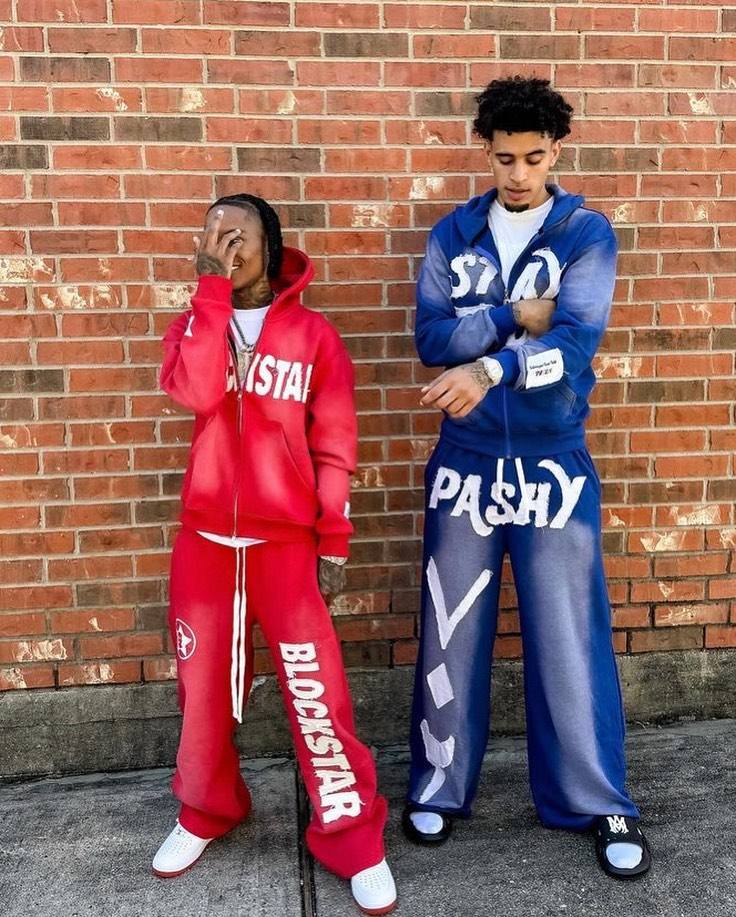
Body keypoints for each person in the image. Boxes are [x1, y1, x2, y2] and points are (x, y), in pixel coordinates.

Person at [402, 76, 651, 880]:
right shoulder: (454, 232)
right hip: (465, 465)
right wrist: (511, 316)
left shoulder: (585, 233)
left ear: (557, 151)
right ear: (486, 150)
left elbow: (575, 344)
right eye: (505, 157)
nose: (518, 173)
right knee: (451, 628)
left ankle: (597, 798)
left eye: (534, 158)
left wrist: (491, 366)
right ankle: (438, 786)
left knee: (569, 636)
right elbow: (431, 339)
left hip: (553, 464)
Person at [153, 194, 397, 914]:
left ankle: (351, 837)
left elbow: (335, 443)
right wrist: (210, 295)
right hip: (205, 544)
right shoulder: (194, 323)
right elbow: (199, 392)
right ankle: (206, 809)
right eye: (211, 233)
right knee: (203, 695)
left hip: (285, 545)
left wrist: (334, 538)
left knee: (316, 693)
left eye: (237, 234)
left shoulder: (314, 336)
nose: (222, 244)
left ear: (270, 245)